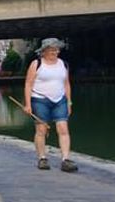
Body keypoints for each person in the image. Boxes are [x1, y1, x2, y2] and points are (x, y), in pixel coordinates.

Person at [22, 38, 77, 172]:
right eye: (52, 50)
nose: (55, 52)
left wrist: (69, 101)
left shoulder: (63, 64)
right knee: (41, 130)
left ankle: (65, 159)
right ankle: (42, 158)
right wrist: (28, 104)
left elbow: (66, 84)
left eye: (57, 49)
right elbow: (28, 84)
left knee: (63, 128)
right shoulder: (37, 64)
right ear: (44, 51)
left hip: (60, 100)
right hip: (40, 99)